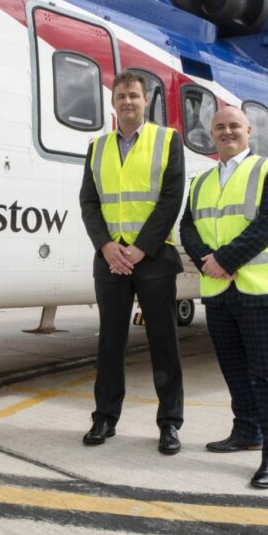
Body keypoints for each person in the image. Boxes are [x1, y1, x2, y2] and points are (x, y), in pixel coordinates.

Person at [179, 106, 268, 488]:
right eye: (219, 127)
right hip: (218, 291)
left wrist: (225, 259)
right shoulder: (200, 181)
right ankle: (247, 431)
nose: (227, 132)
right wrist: (207, 262)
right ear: (211, 135)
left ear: (249, 130)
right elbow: (188, 227)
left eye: (234, 126)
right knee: (234, 371)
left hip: (262, 289)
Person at [79, 69, 185, 454]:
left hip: (152, 258)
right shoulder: (98, 147)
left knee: (163, 342)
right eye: (120, 95)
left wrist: (141, 248)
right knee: (110, 342)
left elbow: (171, 198)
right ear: (113, 102)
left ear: (146, 101)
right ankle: (104, 418)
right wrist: (107, 246)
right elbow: (89, 203)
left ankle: (170, 424)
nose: (127, 102)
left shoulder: (166, 140)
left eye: (134, 96)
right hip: (110, 260)